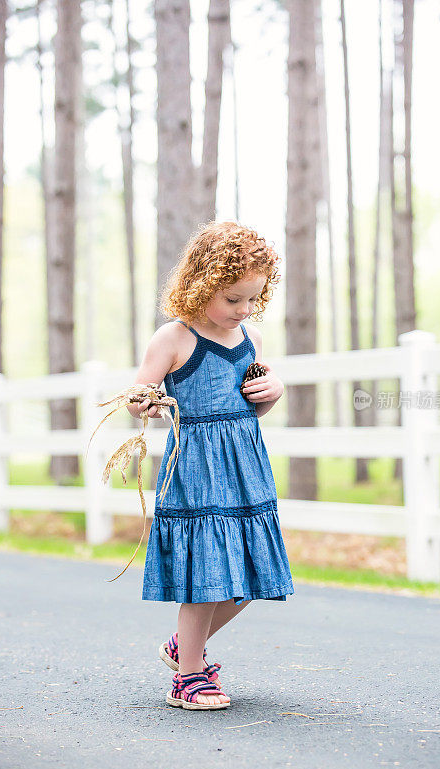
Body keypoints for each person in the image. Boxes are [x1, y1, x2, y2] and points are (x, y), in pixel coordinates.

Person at [127, 220, 294, 710]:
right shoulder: (174, 338)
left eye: (252, 300)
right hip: (197, 468)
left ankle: (185, 649)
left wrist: (272, 393)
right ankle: (189, 677)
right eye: (232, 300)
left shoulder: (251, 339)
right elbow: (138, 395)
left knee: (251, 572)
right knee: (207, 572)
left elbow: (252, 403)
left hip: (245, 466)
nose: (243, 310)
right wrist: (148, 401)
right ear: (200, 285)